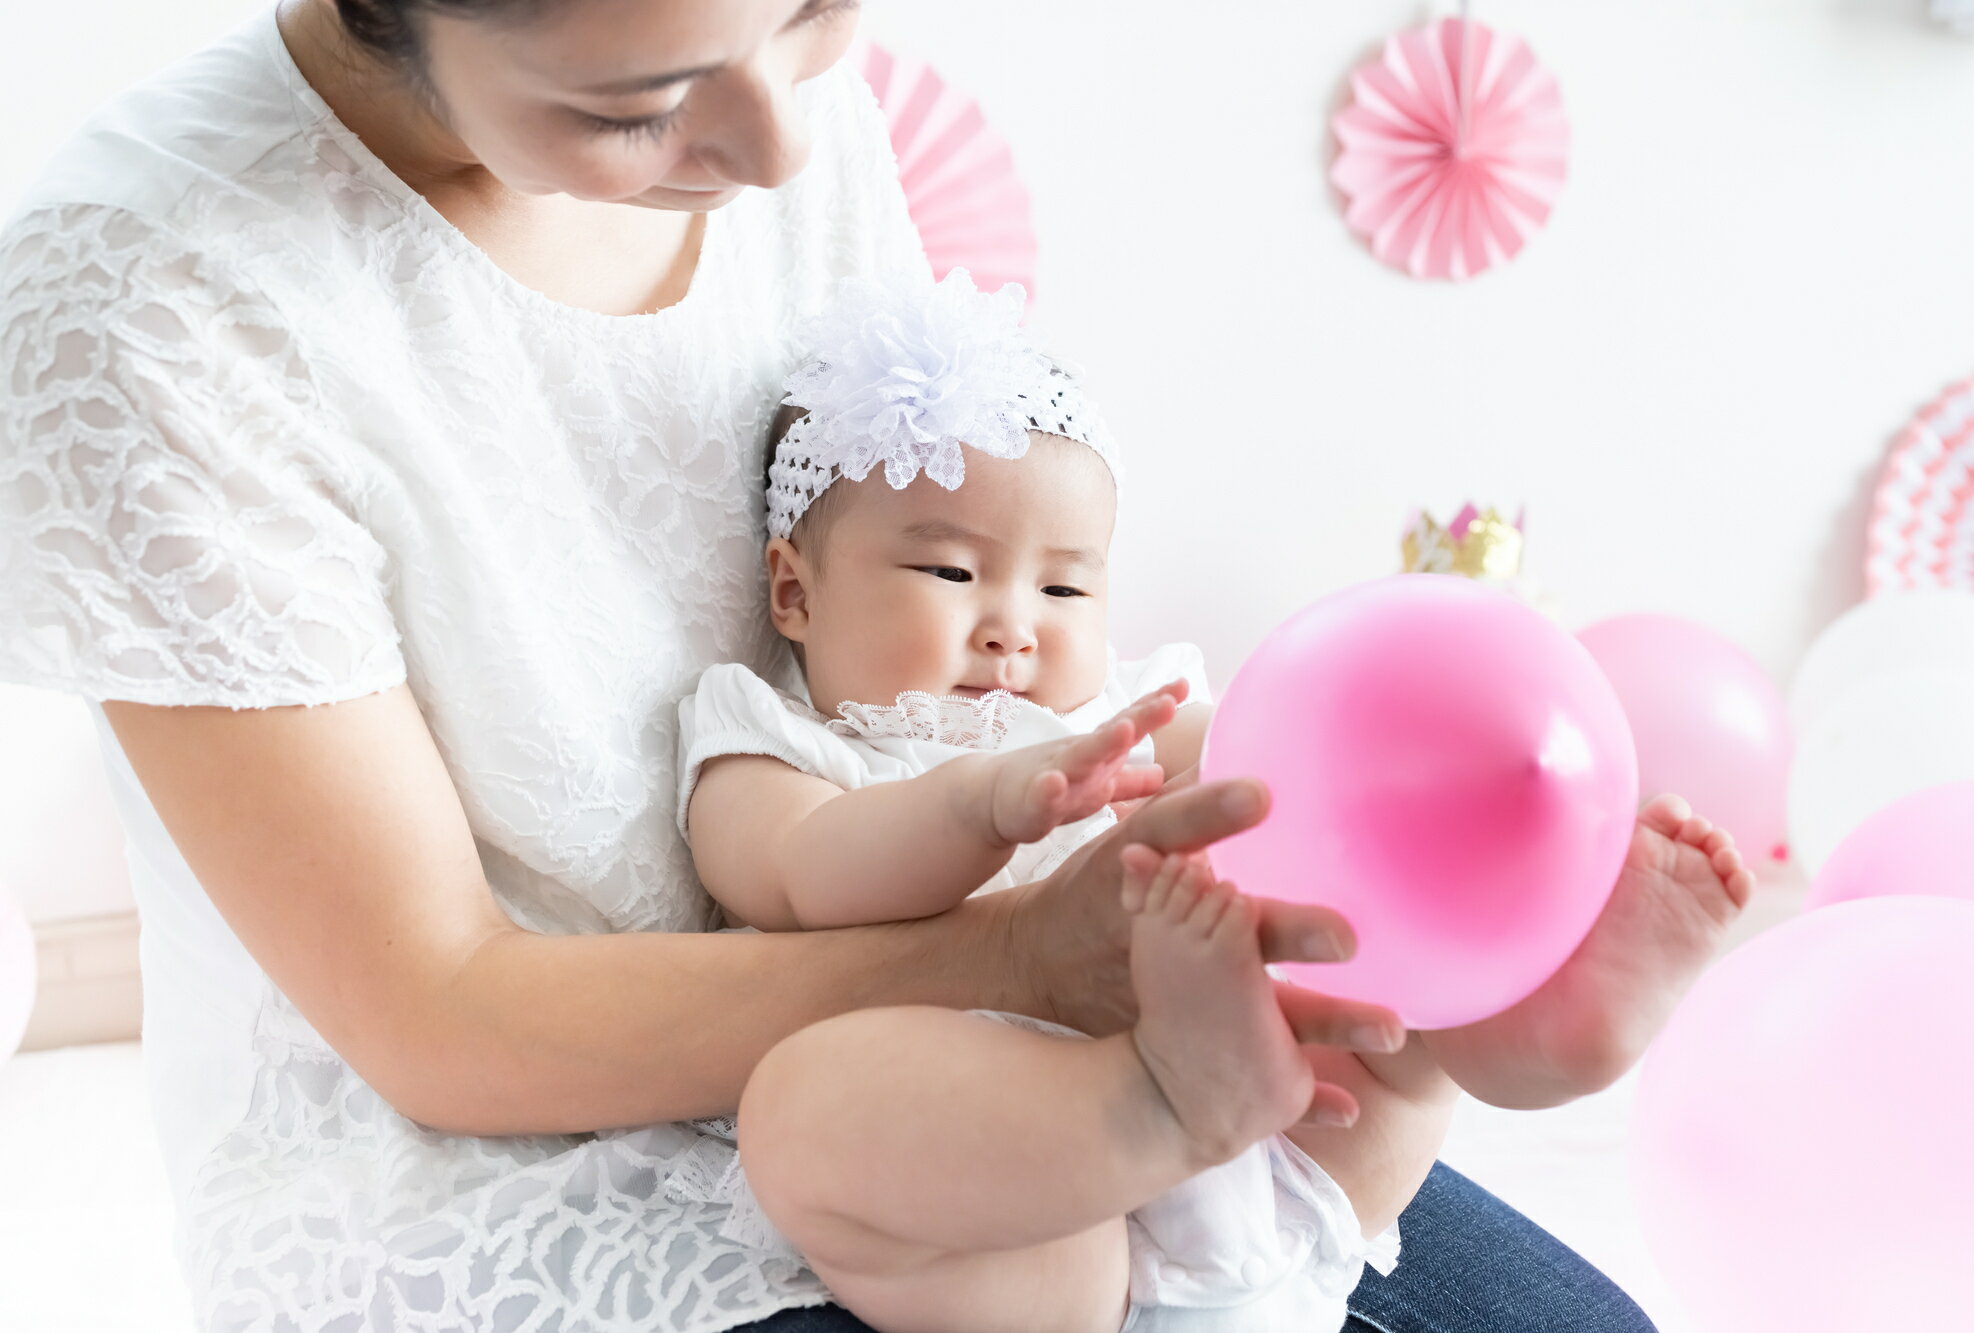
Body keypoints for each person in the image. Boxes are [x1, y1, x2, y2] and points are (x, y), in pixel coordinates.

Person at [0, 2, 1693, 1328]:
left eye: (816, 4)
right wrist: (1023, 941)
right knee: (874, 1132)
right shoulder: (153, 297)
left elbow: (952, 584)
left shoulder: (780, 116)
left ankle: (1535, 1010)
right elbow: (442, 1015)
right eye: (635, 101)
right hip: (502, 1166)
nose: (778, 138)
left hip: (1011, 1030)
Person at [673, 271, 1755, 1332]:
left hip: (1280, 1156)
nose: (1013, 625)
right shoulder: (772, 740)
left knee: (1378, 974)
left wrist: (1422, 783)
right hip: (1046, 1233)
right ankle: (1160, 1097)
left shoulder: (1118, 707)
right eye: (951, 574)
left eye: (1060, 586)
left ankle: (1549, 1028)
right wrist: (981, 805)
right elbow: (803, 870)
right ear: (793, 590)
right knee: (807, 1110)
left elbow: (1276, 765)